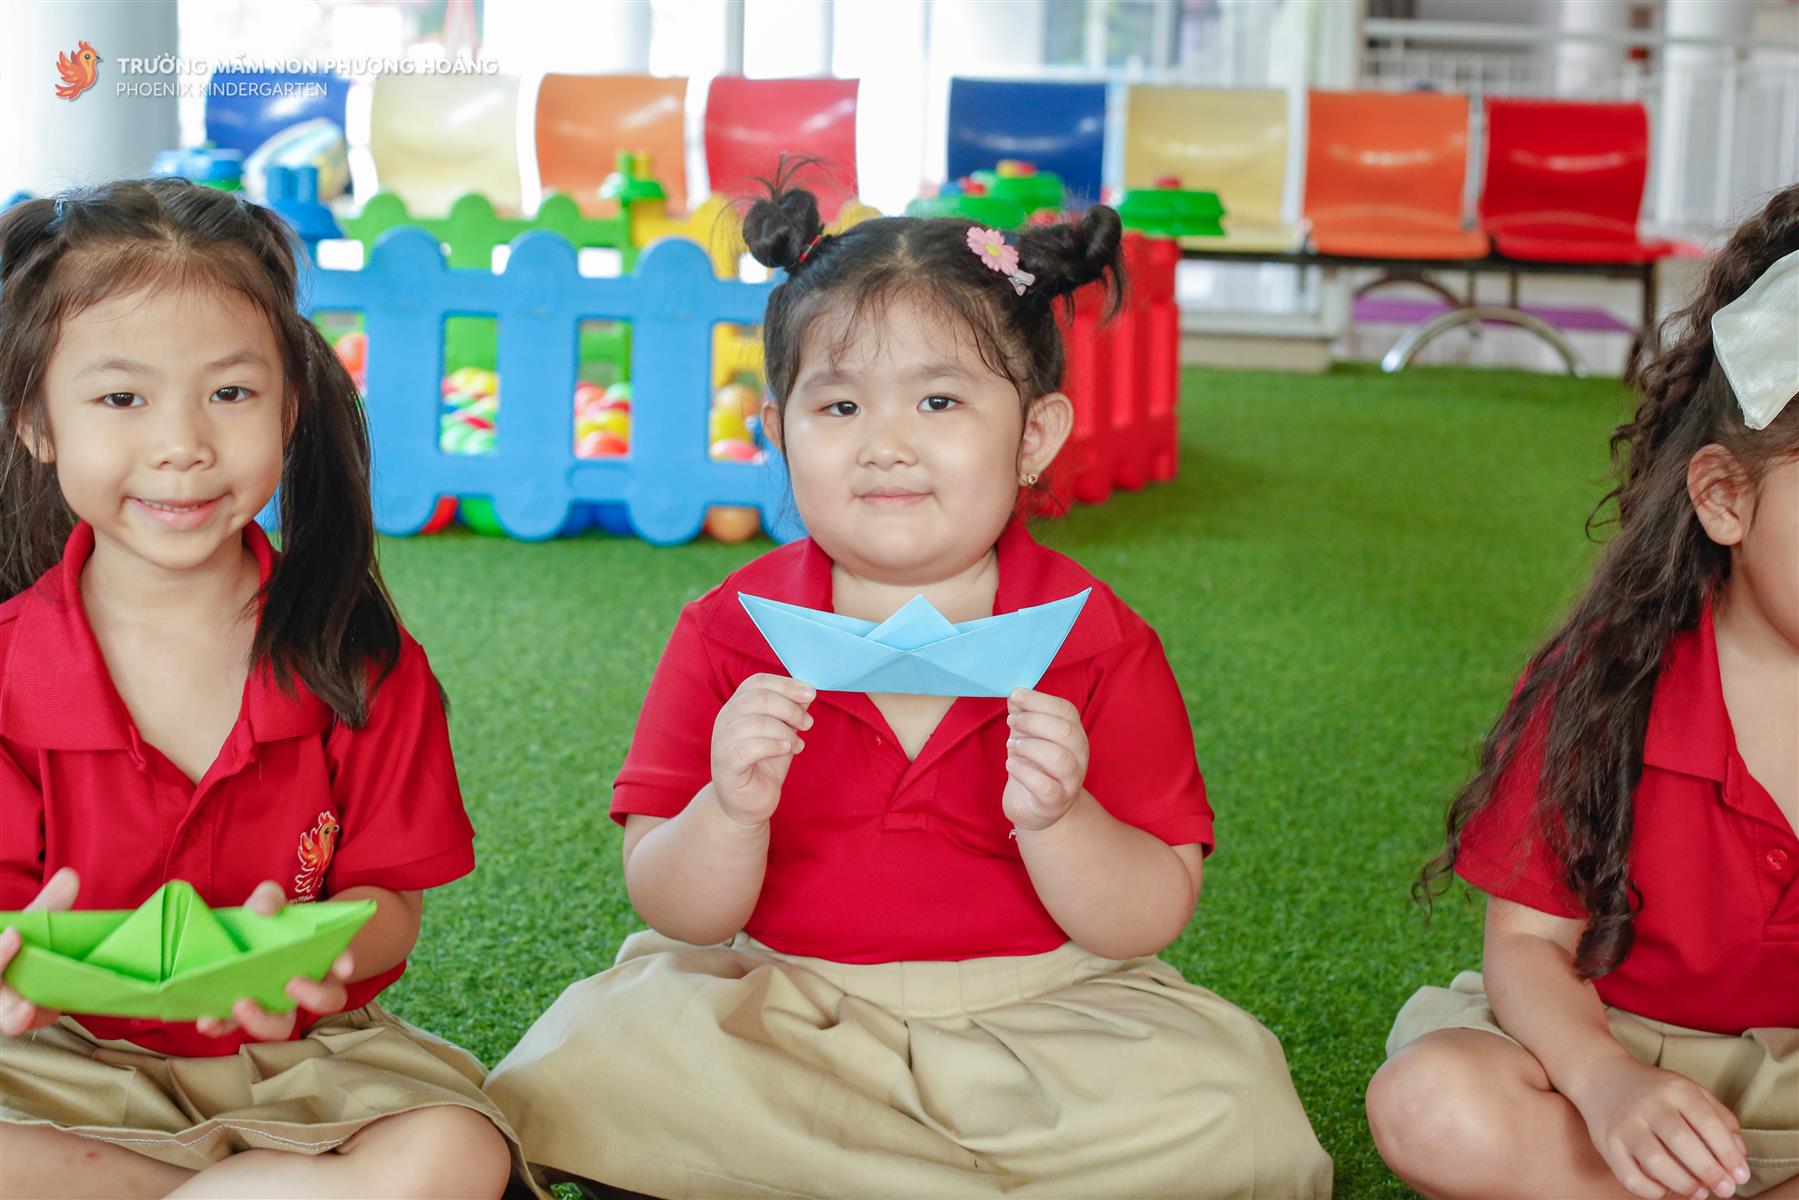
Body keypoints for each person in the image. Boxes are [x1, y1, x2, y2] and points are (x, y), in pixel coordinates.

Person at [486, 178, 1333, 1199]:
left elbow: (1146, 917)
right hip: (784, 1011)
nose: (884, 444)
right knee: (594, 1056)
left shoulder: (1099, 642)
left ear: (1033, 435)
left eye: (938, 401)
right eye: (839, 405)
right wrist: (728, 811)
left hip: (1047, 1020)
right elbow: (676, 911)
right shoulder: (727, 631)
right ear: (778, 430)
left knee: (1233, 1108)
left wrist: (1061, 818)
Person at [0, 178, 527, 1200]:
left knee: (455, 1154)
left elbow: (388, 902)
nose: (183, 444)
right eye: (121, 399)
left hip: (303, 1059)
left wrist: (317, 957)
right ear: (37, 422)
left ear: (290, 407)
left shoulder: (360, 661)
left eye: (230, 393)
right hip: (55, 1060)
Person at [1367, 185, 1799, 1200]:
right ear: (1724, 497)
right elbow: (1526, 951)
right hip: (1607, 1055)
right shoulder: (1609, 681)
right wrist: (1607, 1086)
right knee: (1432, 1103)